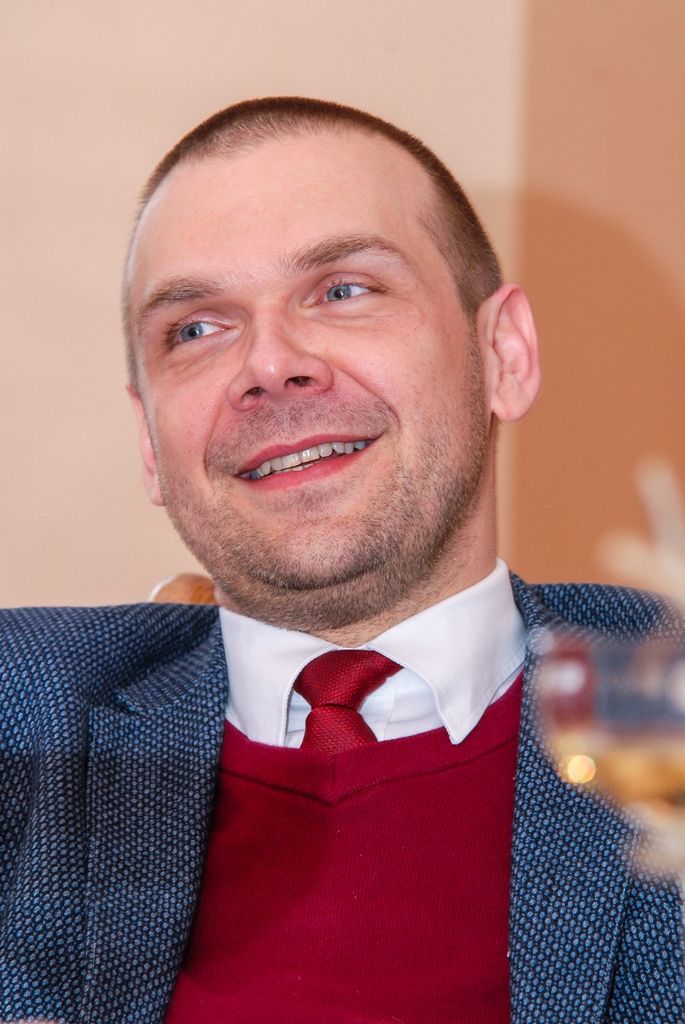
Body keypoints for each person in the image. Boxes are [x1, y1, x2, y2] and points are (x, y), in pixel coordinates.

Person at [1, 97, 682, 1024]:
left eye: (343, 290)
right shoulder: (28, 714)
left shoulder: (662, 703)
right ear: (150, 442)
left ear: (503, 354)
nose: (270, 364)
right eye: (196, 329)